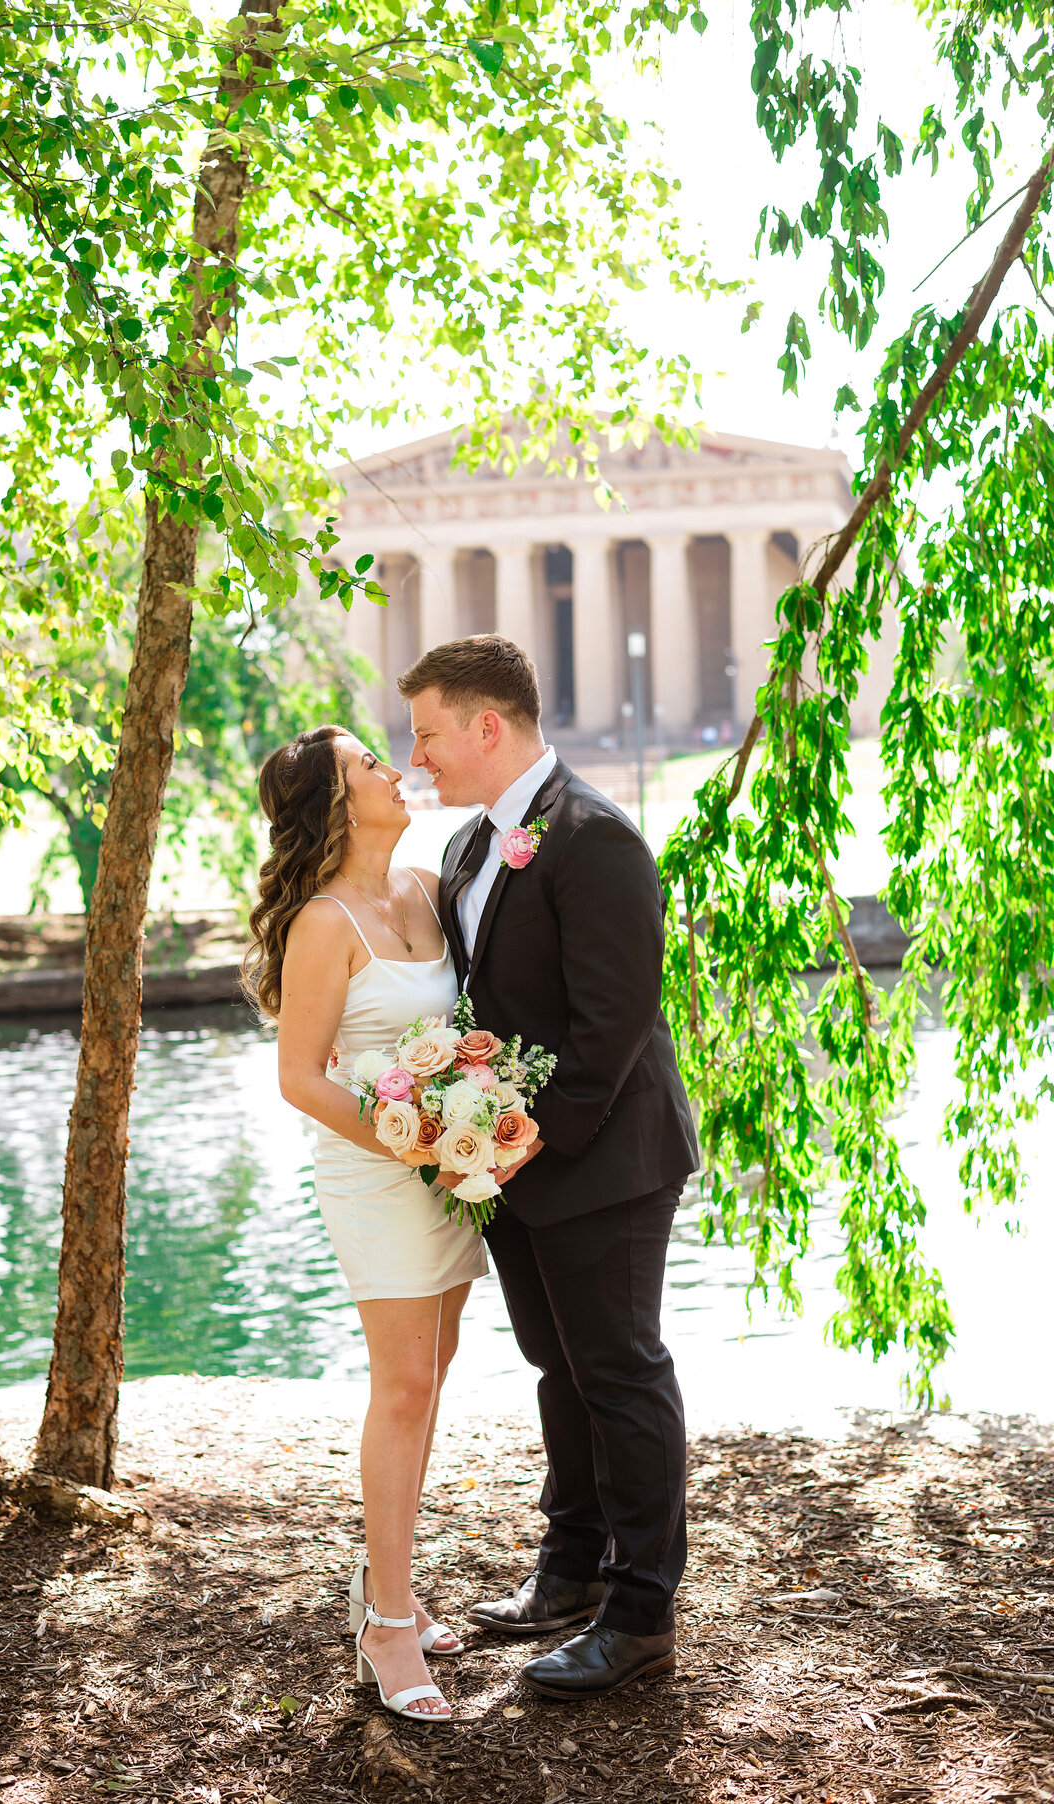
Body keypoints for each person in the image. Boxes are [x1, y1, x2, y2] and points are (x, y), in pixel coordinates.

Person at [397, 635, 699, 1701]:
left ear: (489, 725)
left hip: (603, 1158)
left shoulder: (594, 837)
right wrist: (481, 1141)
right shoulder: (475, 847)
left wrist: (541, 1144)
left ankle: (640, 1611)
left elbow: (614, 1023)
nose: (419, 753)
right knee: (555, 1365)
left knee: (619, 1369)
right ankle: (569, 1568)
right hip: (514, 1164)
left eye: (429, 731)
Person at [243, 725, 487, 1724]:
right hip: (377, 1173)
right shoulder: (322, 921)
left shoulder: (427, 888)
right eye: (369, 764)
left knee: (431, 1381)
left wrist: (472, 1099)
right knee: (402, 1388)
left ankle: (393, 1582)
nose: (395, 770)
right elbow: (299, 1077)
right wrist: (413, 1142)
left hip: (448, 1169)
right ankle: (386, 1624)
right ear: (338, 804)